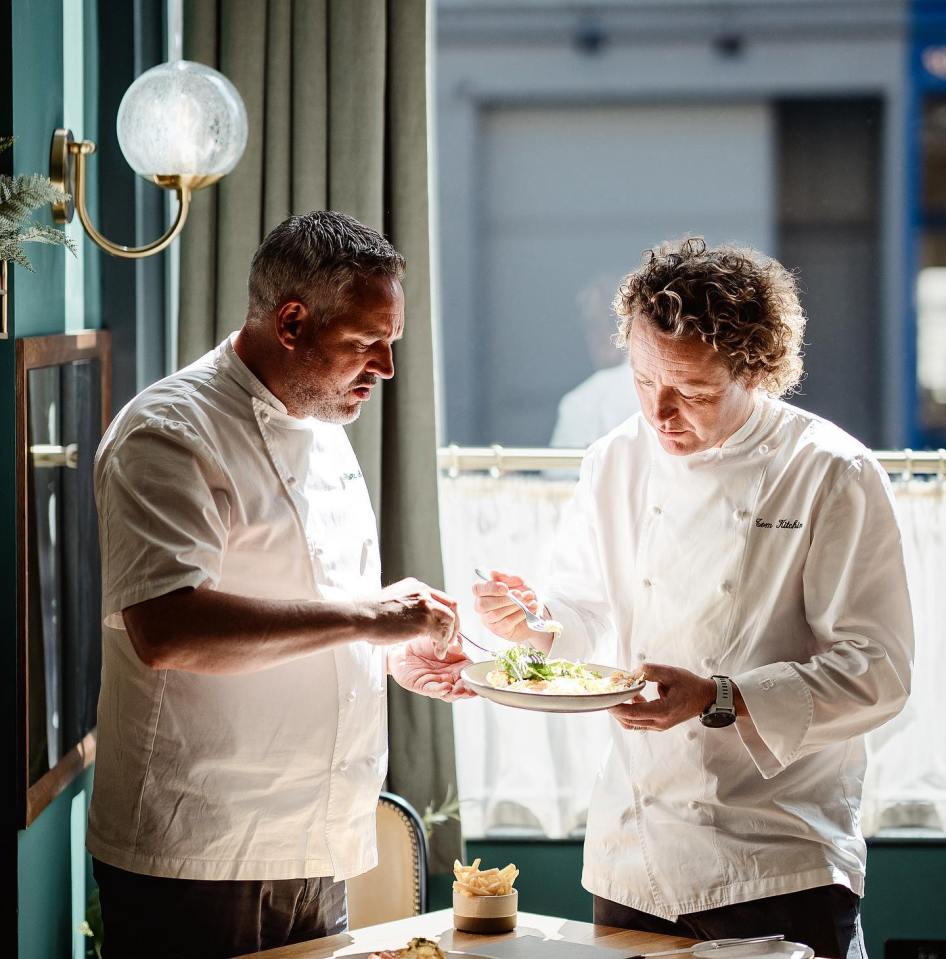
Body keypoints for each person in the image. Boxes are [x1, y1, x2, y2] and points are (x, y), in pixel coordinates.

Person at [474, 238, 913, 959]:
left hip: (777, 863)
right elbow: (584, 609)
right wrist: (540, 625)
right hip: (634, 857)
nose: (662, 411)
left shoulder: (830, 473)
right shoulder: (612, 459)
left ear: (757, 372)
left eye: (696, 392)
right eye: (644, 379)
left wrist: (718, 695)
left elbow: (880, 675)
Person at [88, 211, 472, 959]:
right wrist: (370, 617)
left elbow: (304, 601)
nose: (386, 369)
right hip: (201, 849)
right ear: (292, 321)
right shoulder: (168, 433)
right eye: (366, 343)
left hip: (319, 840)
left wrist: (392, 654)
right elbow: (168, 627)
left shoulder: (325, 424)